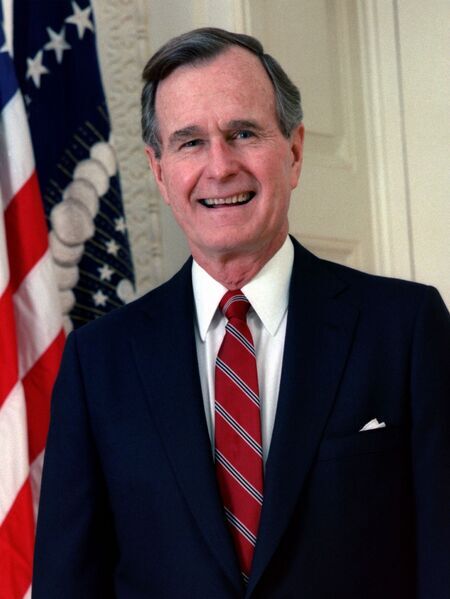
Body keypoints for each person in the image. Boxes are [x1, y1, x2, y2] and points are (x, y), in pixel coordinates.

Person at [33, 28, 450, 598]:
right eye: (189, 142)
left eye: (243, 133)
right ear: (159, 171)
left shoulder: (406, 329)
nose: (220, 166)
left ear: (294, 152)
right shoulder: (97, 362)